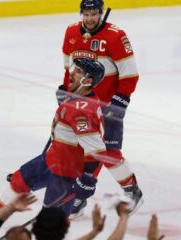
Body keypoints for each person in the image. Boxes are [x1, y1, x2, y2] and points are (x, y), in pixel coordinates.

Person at [0, 58, 106, 217]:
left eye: (78, 71)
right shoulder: (76, 94)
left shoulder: (82, 111)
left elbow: (96, 151)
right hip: (52, 158)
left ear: (87, 81)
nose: (71, 72)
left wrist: (87, 181)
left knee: (52, 222)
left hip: (67, 171)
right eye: (74, 68)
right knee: (18, 181)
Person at [59, 0, 142, 216]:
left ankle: (132, 190)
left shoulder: (115, 36)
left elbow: (130, 73)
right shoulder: (71, 32)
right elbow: (69, 70)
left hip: (108, 106)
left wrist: (119, 102)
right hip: (83, 104)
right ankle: (79, 197)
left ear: (100, 13)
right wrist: (67, 92)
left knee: (109, 152)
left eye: (94, 14)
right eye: (85, 14)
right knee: (86, 150)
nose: (89, 18)